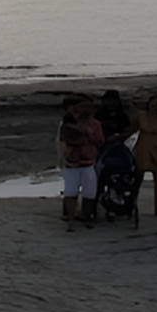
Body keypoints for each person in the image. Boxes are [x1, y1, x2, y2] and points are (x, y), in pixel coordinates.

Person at [56, 96, 103, 231]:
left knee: (88, 191)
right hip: (73, 162)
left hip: (85, 161)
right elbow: (64, 140)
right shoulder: (70, 123)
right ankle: (71, 218)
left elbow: (100, 141)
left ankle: (83, 217)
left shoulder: (94, 124)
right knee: (72, 191)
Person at [123, 94, 157, 217]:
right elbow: (130, 130)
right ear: (148, 104)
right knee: (137, 180)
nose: (155, 107)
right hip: (142, 150)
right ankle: (132, 206)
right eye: (153, 104)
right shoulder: (141, 117)